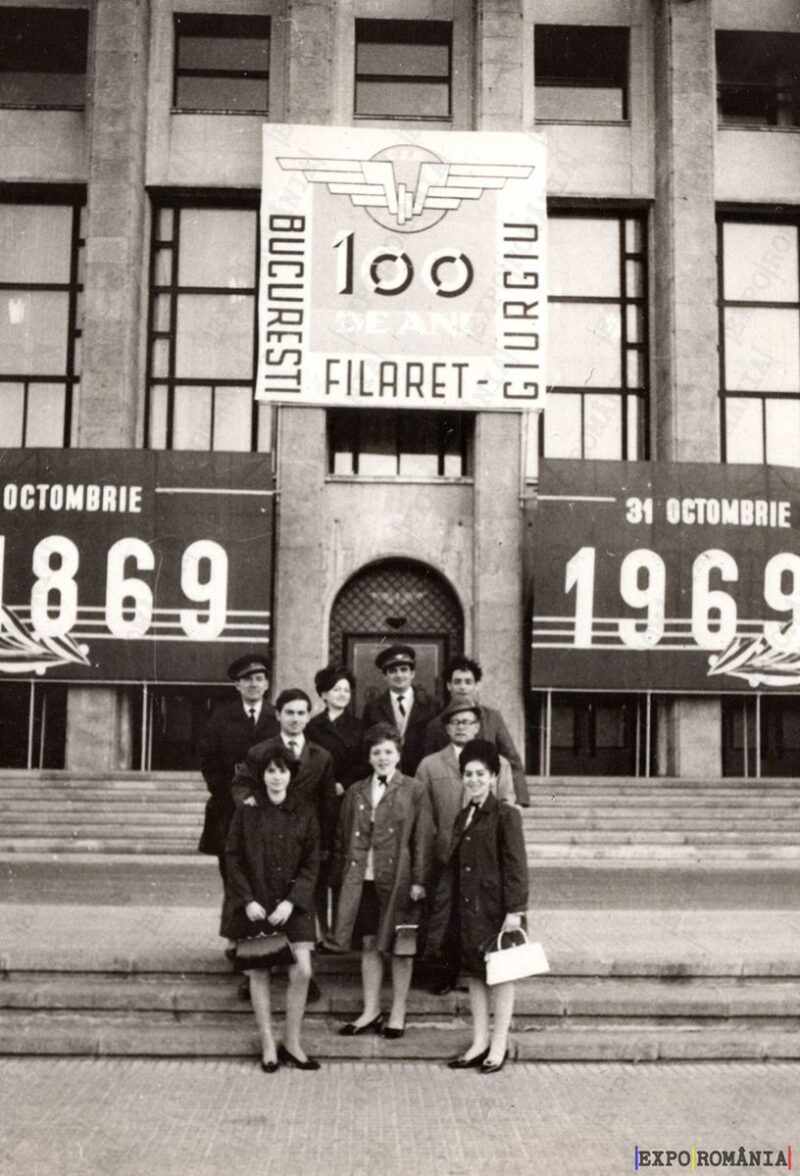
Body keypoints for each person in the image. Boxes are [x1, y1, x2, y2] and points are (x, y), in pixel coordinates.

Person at [425, 740, 529, 1074]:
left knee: (501, 976)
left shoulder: (506, 815)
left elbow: (516, 867)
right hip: (468, 910)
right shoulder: (463, 816)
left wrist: (515, 911)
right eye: (468, 774)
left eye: (480, 774)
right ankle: (479, 1042)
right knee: (473, 976)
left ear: (494, 776)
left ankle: (498, 1045)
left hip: (497, 912)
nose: (473, 780)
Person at [232, 688, 337, 997]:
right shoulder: (259, 752)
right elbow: (241, 784)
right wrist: (249, 802)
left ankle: (305, 976)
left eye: (301, 712)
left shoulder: (321, 756)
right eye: (289, 712)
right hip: (266, 839)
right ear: (277, 715)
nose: (295, 718)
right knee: (264, 904)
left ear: (309, 715)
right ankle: (256, 971)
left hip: (303, 842)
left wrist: (325, 846)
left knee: (302, 909)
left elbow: (328, 804)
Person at [330, 722, 433, 1039]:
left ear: (399, 755)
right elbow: (342, 837)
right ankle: (371, 1010)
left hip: (400, 879)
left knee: (402, 945)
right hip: (364, 879)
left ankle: (398, 1012)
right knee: (369, 943)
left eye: (388, 751)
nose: (383, 758)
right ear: (369, 757)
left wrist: (419, 880)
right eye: (377, 752)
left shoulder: (413, 789)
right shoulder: (356, 791)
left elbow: (422, 838)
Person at [223, 750, 321, 1071]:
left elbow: (311, 862)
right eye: (270, 771)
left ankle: (292, 1042)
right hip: (259, 905)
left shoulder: (305, 811)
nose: (276, 777)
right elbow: (233, 858)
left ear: (291, 775)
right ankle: (268, 1043)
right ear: (261, 776)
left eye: (282, 771)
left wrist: (292, 901)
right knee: (260, 972)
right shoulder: (247, 811)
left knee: (302, 971)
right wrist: (247, 900)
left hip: (294, 906)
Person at [416, 696, 517, 995]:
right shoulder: (430, 765)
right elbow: (424, 818)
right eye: (455, 722)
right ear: (446, 728)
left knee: (481, 917)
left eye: (468, 722)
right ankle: (448, 973)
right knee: (447, 917)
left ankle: (479, 972)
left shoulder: (498, 763)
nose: (461, 727)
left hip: (485, 857)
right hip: (446, 855)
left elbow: (506, 804)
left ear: (477, 726)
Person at [198, 652, 279, 959]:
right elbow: (208, 762)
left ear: (267, 684)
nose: (254, 685)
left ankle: (265, 938)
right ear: (237, 685)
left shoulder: (277, 717)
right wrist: (232, 793)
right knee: (233, 874)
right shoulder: (221, 719)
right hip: (229, 811)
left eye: (259, 679)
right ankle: (234, 935)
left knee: (265, 874)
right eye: (247, 680)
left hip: (270, 808)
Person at [423, 656, 530, 805]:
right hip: (450, 800)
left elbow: (512, 760)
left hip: (488, 796)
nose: (462, 687)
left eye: (468, 682)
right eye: (457, 682)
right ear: (449, 686)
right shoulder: (435, 724)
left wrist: (520, 802)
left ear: (477, 686)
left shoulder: (492, 717)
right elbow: (429, 768)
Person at [362, 645, 438, 777]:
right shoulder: (373, 708)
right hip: (385, 775)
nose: (399, 675)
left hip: (421, 774)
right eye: (392, 671)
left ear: (412, 674)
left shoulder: (431, 705)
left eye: (404, 670)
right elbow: (367, 747)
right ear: (385, 676)